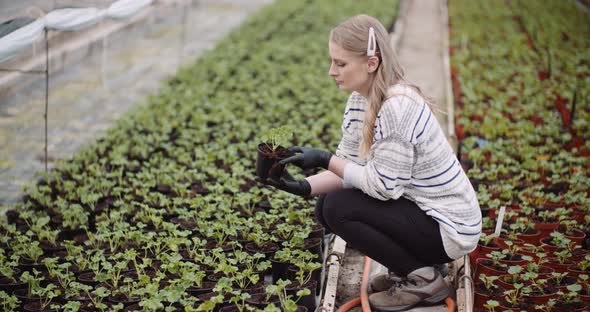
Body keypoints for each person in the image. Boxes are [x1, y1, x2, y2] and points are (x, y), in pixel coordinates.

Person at [263, 14, 481, 311]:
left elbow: (383, 188)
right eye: (332, 62)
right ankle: (414, 266)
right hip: (424, 215)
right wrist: (300, 186)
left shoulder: (397, 106)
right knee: (326, 205)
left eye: (341, 64)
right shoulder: (358, 101)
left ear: (371, 63)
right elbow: (348, 168)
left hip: (450, 228)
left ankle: (423, 279)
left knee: (338, 207)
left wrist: (326, 159)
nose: (331, 71)